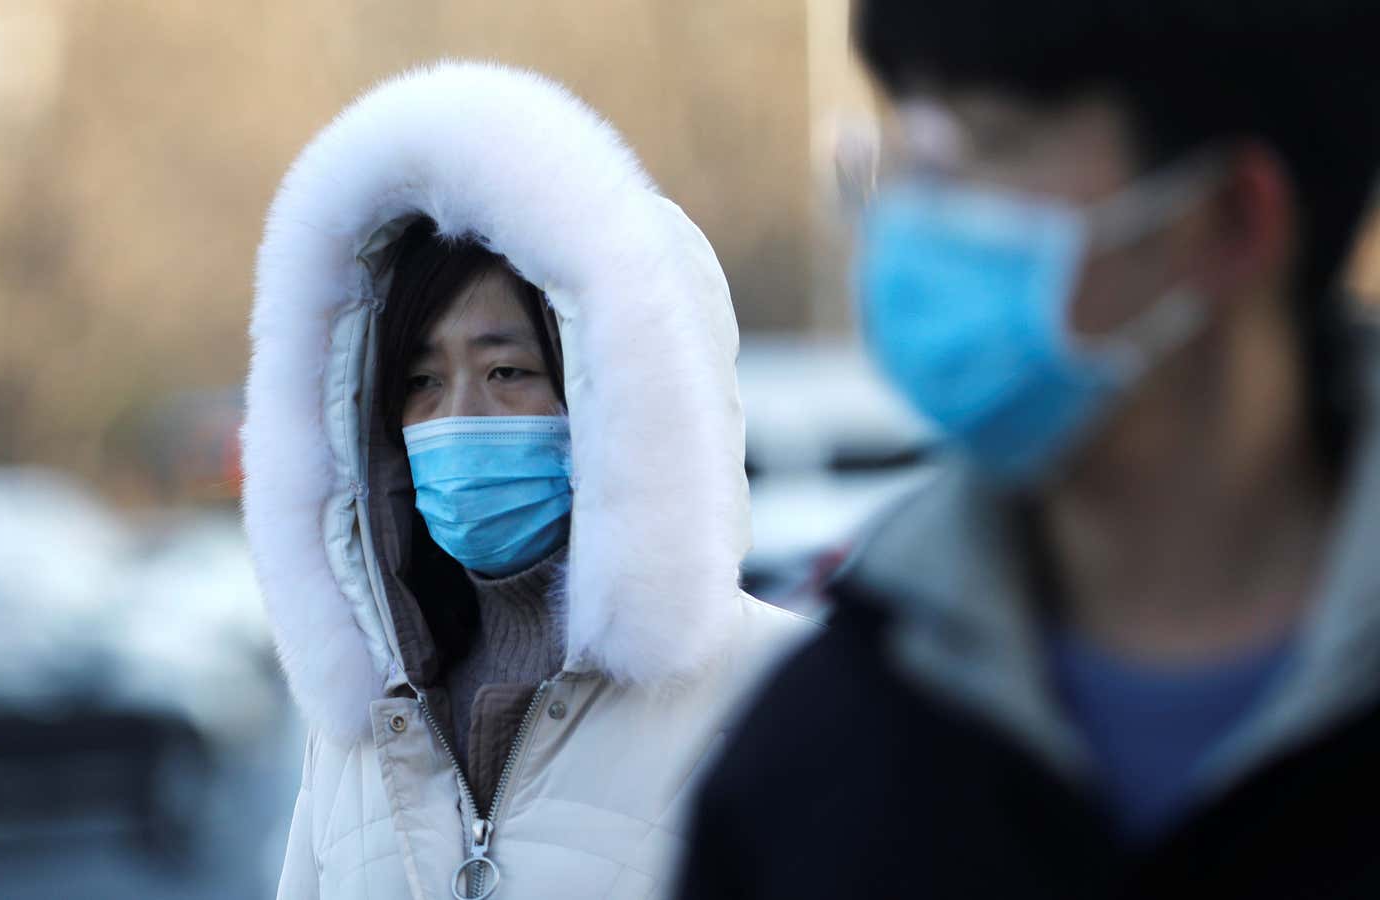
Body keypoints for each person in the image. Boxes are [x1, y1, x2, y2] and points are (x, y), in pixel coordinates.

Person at [677, 2, 1380, 897]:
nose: (913, 217)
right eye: (916, 150)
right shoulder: (822, 756)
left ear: (1233, 220)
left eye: (989, 146)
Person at [241, 61, 812, 900]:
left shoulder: (786, 695)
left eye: (507, 371)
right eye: (419, 383)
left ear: (623, 396)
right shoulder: (364, 735)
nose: (457, 417)